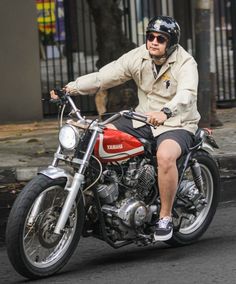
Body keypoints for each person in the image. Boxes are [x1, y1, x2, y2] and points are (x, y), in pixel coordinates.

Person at [50, 15, 200, 241]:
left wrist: (165, 112)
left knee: (165, 156)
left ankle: (165, 217)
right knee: (96, 136)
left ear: (171, 44)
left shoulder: (185, 63)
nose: (154, 42)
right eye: (151, 36)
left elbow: (187, 94)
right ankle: (105, 195)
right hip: (142, 118)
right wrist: (70, 89)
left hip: (176, 122)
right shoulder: (138, 56)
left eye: (161, 38)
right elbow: (103, 77)